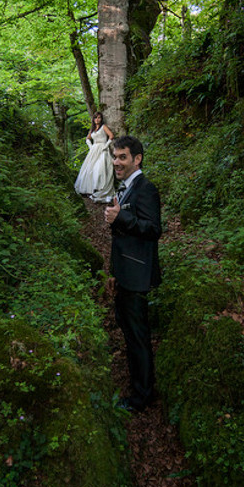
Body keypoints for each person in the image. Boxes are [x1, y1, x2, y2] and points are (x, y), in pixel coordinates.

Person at [104, 136, 162, 412]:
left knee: (138, 337)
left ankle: (142, 396)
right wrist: (114, 272)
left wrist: (121, 217)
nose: (116, 162)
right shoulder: (125, 187)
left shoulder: (146, 188)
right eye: (115, 157)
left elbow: (153, 229)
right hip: (125, 272)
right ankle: (139, 384)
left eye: (122, 157)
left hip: (138, 275)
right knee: (128, 330)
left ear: (137, 159)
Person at [73, 112, 116, 202]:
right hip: (94, 150)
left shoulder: (103, 127)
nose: (97, 119)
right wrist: (90, 146)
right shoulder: (92, 129)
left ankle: (99, 188)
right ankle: (89, 189)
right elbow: (87, 139)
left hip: (102, 149)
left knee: (100, 168)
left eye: (99, 118)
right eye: (96, 118)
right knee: (89, 168)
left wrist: (106, 145)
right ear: (93, 119)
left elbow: (111, 136)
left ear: (101, 119)